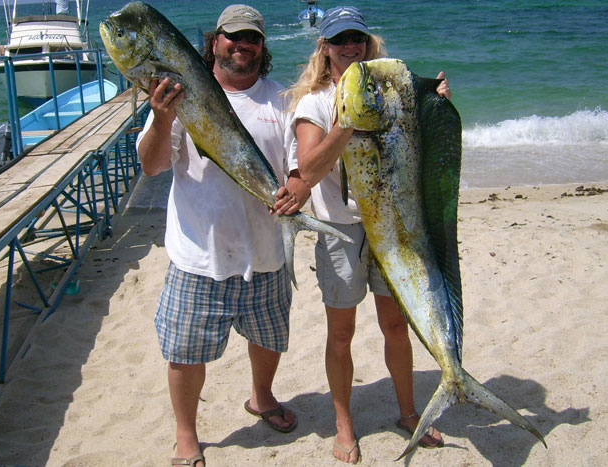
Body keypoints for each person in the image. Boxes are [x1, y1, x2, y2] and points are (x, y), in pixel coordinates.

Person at [278, 6, 450, 464]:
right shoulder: (313, 103)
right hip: (340, 230)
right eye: (339, 41)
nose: (350, 47)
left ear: (368, 43)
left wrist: (435, 105)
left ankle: (409, 412)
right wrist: (348, 121)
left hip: (391, 227)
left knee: (396, 325)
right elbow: (308, 172)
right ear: (325, 49)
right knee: (342, 333)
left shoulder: (393, 92)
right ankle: (343, 422)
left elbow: (422, 151)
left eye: (357, 39)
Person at [136, 5, 301, 466]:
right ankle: (186, 434)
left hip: (266, 252)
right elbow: (151, 165)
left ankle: (262, 398)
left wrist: (294, 190)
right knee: (186, 353)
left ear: (262, 48)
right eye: (232, 37)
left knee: (268, 338)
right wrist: (163, 117)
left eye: (251, 39)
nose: (241, 45)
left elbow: (295, 167)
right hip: (198, 257)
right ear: (214, 42)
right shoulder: (177, 93)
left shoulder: (281, 100)